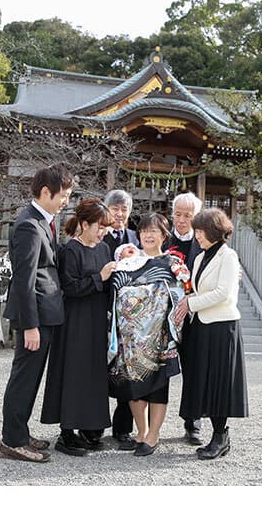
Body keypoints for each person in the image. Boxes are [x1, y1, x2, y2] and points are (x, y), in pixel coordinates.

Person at [0, 163, 73, 463]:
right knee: (24, 378)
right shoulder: (29, 225)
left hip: (45, 314)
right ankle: (13, 441)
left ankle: (19, 431)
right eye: (64, 195)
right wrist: (30, 326)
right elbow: (24, 280)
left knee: (30, 378)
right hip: (35, 318)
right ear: (46, 192)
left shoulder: (44, 221)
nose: (66, 200)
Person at [108, 212, 189, 457]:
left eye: (154, 231)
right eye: (144, 231)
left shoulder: (173, 263)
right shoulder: (128, 262)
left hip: (160, 338)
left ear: (164, 235)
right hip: (131, 340)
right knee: (133, 388)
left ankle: (153, 435)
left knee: (157, 389)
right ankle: (141, 431)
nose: (148, 235)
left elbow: (184, 291)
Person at [41, 198, 116, 456]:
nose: (103, 231)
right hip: (74, 320)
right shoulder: (70, 250)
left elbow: (108, 285)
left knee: (93, 373)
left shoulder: (104, 249)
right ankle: (67, 432)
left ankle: (89, 427)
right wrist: (100, 278)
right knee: (72, 372)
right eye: (99, 226)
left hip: (96, 319)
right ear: (84, 224)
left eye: (105, 227)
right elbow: (69, 287)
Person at [174, 208, 248, 460]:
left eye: (200, 232)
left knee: (220, 382)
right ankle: (212, 433)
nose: (197, 237)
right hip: (201, 326)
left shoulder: (229, 256)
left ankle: (220, 436)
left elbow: (224, 293)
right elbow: (195, 289)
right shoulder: (199, 257)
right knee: (202, 379)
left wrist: (190, 304)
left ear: (214, 231)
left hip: (221, 327)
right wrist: (185, 303)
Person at [162, 192, 204, 445]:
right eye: (177, 214)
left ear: (197, 217)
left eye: (187, 215)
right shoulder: (163, 240)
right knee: (158, 369)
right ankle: (147, 427)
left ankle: (193, 423)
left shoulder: (204, 244)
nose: (181, 220)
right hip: (162, 317)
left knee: (194, 370)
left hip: (192, 317)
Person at [102, 189, 140, 450]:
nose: (119, 213)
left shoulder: (135, 239)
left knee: (126, 369)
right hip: (102, 308)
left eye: (124, 209)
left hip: (128, 315)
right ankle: (92, 425)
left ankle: (123, 427)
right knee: (99, 368)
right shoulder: (98, 235)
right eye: (115, 208)